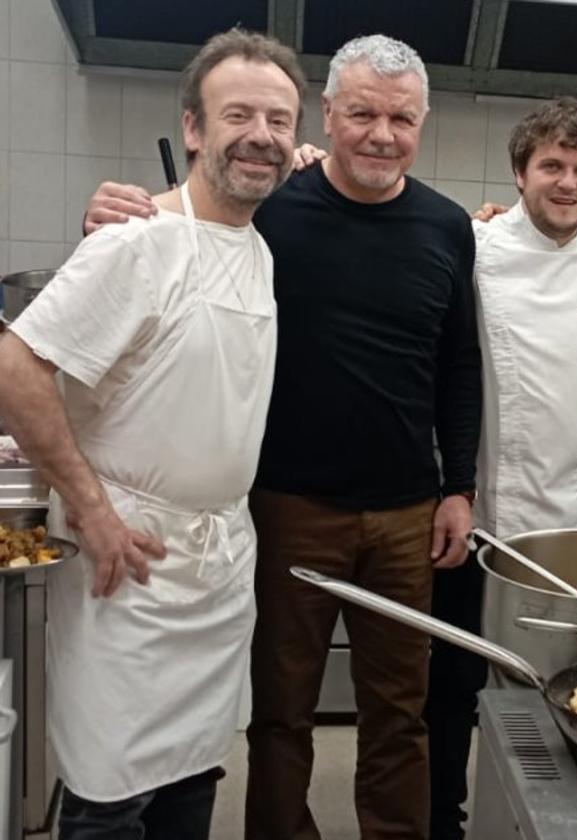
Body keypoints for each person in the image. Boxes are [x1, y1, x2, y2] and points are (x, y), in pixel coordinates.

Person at [85, 34, 481, 840]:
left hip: (408, 512)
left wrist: (459, 487)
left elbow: (458, 366)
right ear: (327, 115)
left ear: (423, 123)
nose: (381, 133)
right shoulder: (274, 206)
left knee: (401, 713)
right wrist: (107, 213)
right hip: (289, 505)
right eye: (362, 112)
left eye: (400, 119)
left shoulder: (446, 226)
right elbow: (176, 234)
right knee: (281, 711)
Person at [0, 28, 304, 839]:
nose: (261, 136)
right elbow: (15, 363)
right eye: (237, 114)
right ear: (194, 128)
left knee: (194, 775)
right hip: (127, 560)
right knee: (109, 793)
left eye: (279, 121)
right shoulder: (136, 241)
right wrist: (92, 512)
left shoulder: (262, 249)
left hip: (218, 565)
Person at [427, 96, 577, 840]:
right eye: (552, 166)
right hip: (480, 519)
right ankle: (443, 820)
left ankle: (546, 824)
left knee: (557, 691)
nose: (568, 182)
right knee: (450, 689)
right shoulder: (475, 246)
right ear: (520, 173)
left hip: (570, 521)